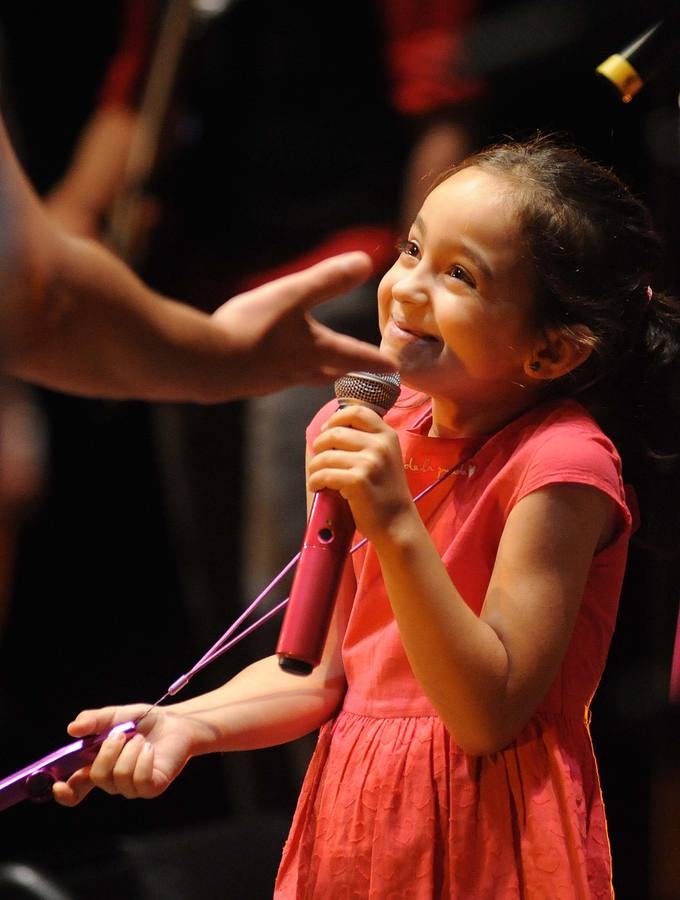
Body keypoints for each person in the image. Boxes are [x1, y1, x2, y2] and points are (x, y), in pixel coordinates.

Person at [52, 135, 680, 896]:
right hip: (357, 823)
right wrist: (190, 723)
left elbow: (486, 713)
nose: (409, 289)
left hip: (487, 836)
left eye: (459, 275)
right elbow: (319, 676)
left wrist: (395, 524)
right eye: (413, 248)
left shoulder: (561, 466)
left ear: (549, 354)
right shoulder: (364, 429)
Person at [0, 110, 394, 402]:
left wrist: (222, 351)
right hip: (200, 278)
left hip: (318, 258)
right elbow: (36, 291)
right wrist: (222, 352)